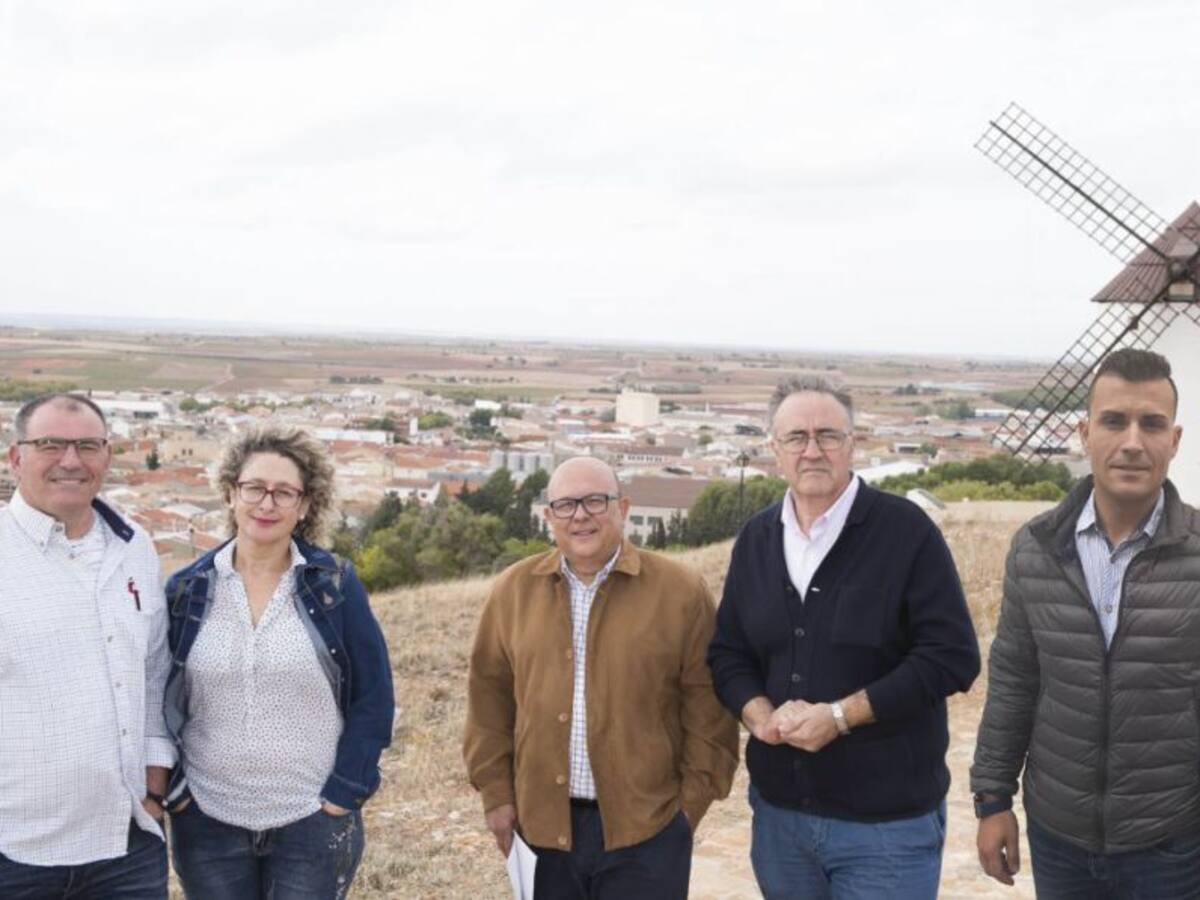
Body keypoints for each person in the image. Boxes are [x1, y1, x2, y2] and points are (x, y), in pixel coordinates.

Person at [707, 374, 981, 899]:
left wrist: (840, 716)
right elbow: (729, 652)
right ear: (775, 449)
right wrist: (760, 717)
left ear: (853, 444)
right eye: (796, 437)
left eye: (828, 435)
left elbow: (951, 657)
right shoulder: (757, 539)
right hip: (780, 821)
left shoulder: (907, 532)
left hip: (886, 829)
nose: (812, 451)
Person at [972, 348, 1200, 898]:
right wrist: (993, 800)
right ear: (1084, 433)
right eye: (1114, 421)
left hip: (1172, 843)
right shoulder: (1035, 549)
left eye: (1152, 424)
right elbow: (1014, 681)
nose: (1132, 442)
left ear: (1174, 440)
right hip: (1060, 839)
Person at [463, 456, 738, 899]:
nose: (580, 516)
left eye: (595, 501)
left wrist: (688, 810)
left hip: (648, 832)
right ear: (548, 516)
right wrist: (496, 796)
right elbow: (487, 702)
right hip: (541, 832)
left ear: (622, 508)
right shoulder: (512, 592)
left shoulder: (680, 591)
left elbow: (709, 710)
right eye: (566, 505)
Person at [163, 426, 394, 899]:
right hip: (207, 818)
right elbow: (158, 695)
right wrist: (178, 794)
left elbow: (374, 696)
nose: (266, 504)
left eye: (284, 492)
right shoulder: (187, 589)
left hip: (311, 818)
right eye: (254, 488)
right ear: (231, 494)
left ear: (305, 505)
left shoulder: (333, 584)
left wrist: (343, 794)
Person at [0, 393, 174, 898]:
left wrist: (154, 792)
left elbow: (154, 676)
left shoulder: (134, 546)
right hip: (15, 855)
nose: (71, 461)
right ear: (16, 457)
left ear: (107, 455)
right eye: (51, 445)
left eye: (87, 446)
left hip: (127, 847)